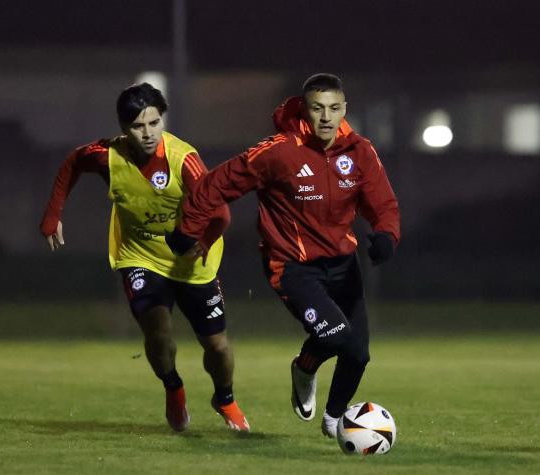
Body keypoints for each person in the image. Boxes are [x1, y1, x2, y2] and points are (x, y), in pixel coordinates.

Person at [166, 73, 400, 437]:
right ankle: (304, 369)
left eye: (334, 108)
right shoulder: (278, 151)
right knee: (336, 334)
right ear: (305, 110)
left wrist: (387, 234)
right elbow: (217, 184)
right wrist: (188, 229)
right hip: (293, 267)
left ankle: (335, 420)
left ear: (344, 110)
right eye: (318, 108)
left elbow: (382, 202)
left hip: (342, 265)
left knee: (357, 354)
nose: (326, 117)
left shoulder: (360, 151)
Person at [39, 83, 250, 432]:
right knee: (158, 334)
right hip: (140, 256)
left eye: (154, 123)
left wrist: (206, 241)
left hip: (193, 261)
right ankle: (173, 388)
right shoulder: (108, 156)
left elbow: (221, 214)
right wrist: (53, 213)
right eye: (138, 126)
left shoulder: (184, 159)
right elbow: (73, 161)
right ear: (123, 129)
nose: (148, 133)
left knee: (217, 345)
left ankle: (224, 398)